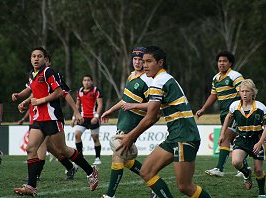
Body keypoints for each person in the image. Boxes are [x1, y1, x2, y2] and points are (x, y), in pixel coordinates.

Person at [117, 46, 211, 198]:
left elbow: (151, 117)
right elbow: (154, 115)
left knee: (185, 187)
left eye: (149, 61)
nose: (145, 65)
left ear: (160, 62)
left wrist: (130, 136)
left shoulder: (159, 82)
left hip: (184, 137)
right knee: (146, 171)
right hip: (175, 136)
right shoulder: (162, 79)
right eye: (143, 61)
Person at [11, 47, 98, 196]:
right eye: (33, 56)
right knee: (31, 148)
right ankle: (31, 186)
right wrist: (21, 98)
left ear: (45, 59)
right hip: (38, 118)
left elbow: (59, 92)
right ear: (31, 59)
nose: (36, 59)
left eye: (39, 56)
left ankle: (91, 171)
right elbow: (30, 90)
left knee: (62, 149)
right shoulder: (32, 75)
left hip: (52, 117)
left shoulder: (48, 72)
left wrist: (75, 112)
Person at [101, 47, 152, 198]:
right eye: (135, 59)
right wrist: (110, 110)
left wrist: (134, 106)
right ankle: (153, 182)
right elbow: (125, 100)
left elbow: (154, 105)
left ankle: (110, 195)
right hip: (123, 121)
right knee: (124, 159)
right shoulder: (131, 76)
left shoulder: (147, 80)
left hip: (133, 122)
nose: (137, 62)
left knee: (117, 155)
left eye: (141, 60)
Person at [196, 50, 247, 177]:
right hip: (224, 114)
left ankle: (219, 169)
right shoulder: (216, 78)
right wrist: (203, 109)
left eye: (224, 61)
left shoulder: (235, 76)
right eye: (219, 61)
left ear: (230, 63)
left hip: (235, 113)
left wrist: (242, 110)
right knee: (234, 140)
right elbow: (213, 95)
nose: (221, 63)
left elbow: (244, 93)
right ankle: (244, 167)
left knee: (225, 138)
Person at [221, 79, 266, 198]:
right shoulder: (235, 106)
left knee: (258, 171)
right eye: (242, 91)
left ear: (253, 93)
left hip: (256, 139)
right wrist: (222, 134)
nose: (244, 94)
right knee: (236, 162)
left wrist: (260, 142)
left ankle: (262, 193)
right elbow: (228, 117)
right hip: (242, 139)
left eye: (247, 91)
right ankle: (247, 173)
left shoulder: (260, 107)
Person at [70, 74, 103, 165]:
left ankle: (97, 158)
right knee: (77, 135)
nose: (86, 82)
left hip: (93, 118)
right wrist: (74, 118)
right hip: (82, 118)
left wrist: (96, 117)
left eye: (88, 80)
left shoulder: (96, 90)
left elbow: (100, 104)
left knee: (95, 138)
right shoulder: (80, 91)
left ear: (92, 81)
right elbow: (77, 105)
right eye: (85, 80)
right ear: (82, 82)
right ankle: (80, 156)